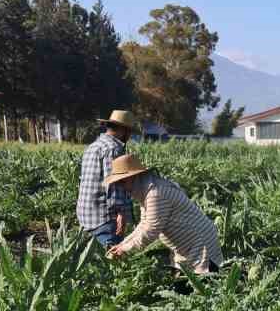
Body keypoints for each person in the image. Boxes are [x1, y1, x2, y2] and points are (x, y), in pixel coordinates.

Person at [102, 155, 224, 274]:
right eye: (118, 183)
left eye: (123, 182)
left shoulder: (156, 193)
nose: (121, 186)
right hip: (187, 247)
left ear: (135, 176)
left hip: (200, 244)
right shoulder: (147, 191)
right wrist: (122, 245)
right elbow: (144, 224)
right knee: (187, 285)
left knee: (207, 284)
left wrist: (127, 249)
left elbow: (151, 229)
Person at [76, 110, 136, 247]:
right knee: (112, 261)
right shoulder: (113, 149)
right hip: (105, 216)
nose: (130, 135)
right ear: (123, 130)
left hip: (87, 214)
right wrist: (121, 213)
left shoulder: (93, 146)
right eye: (130, 131)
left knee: (94, 261)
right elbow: (113, 183)